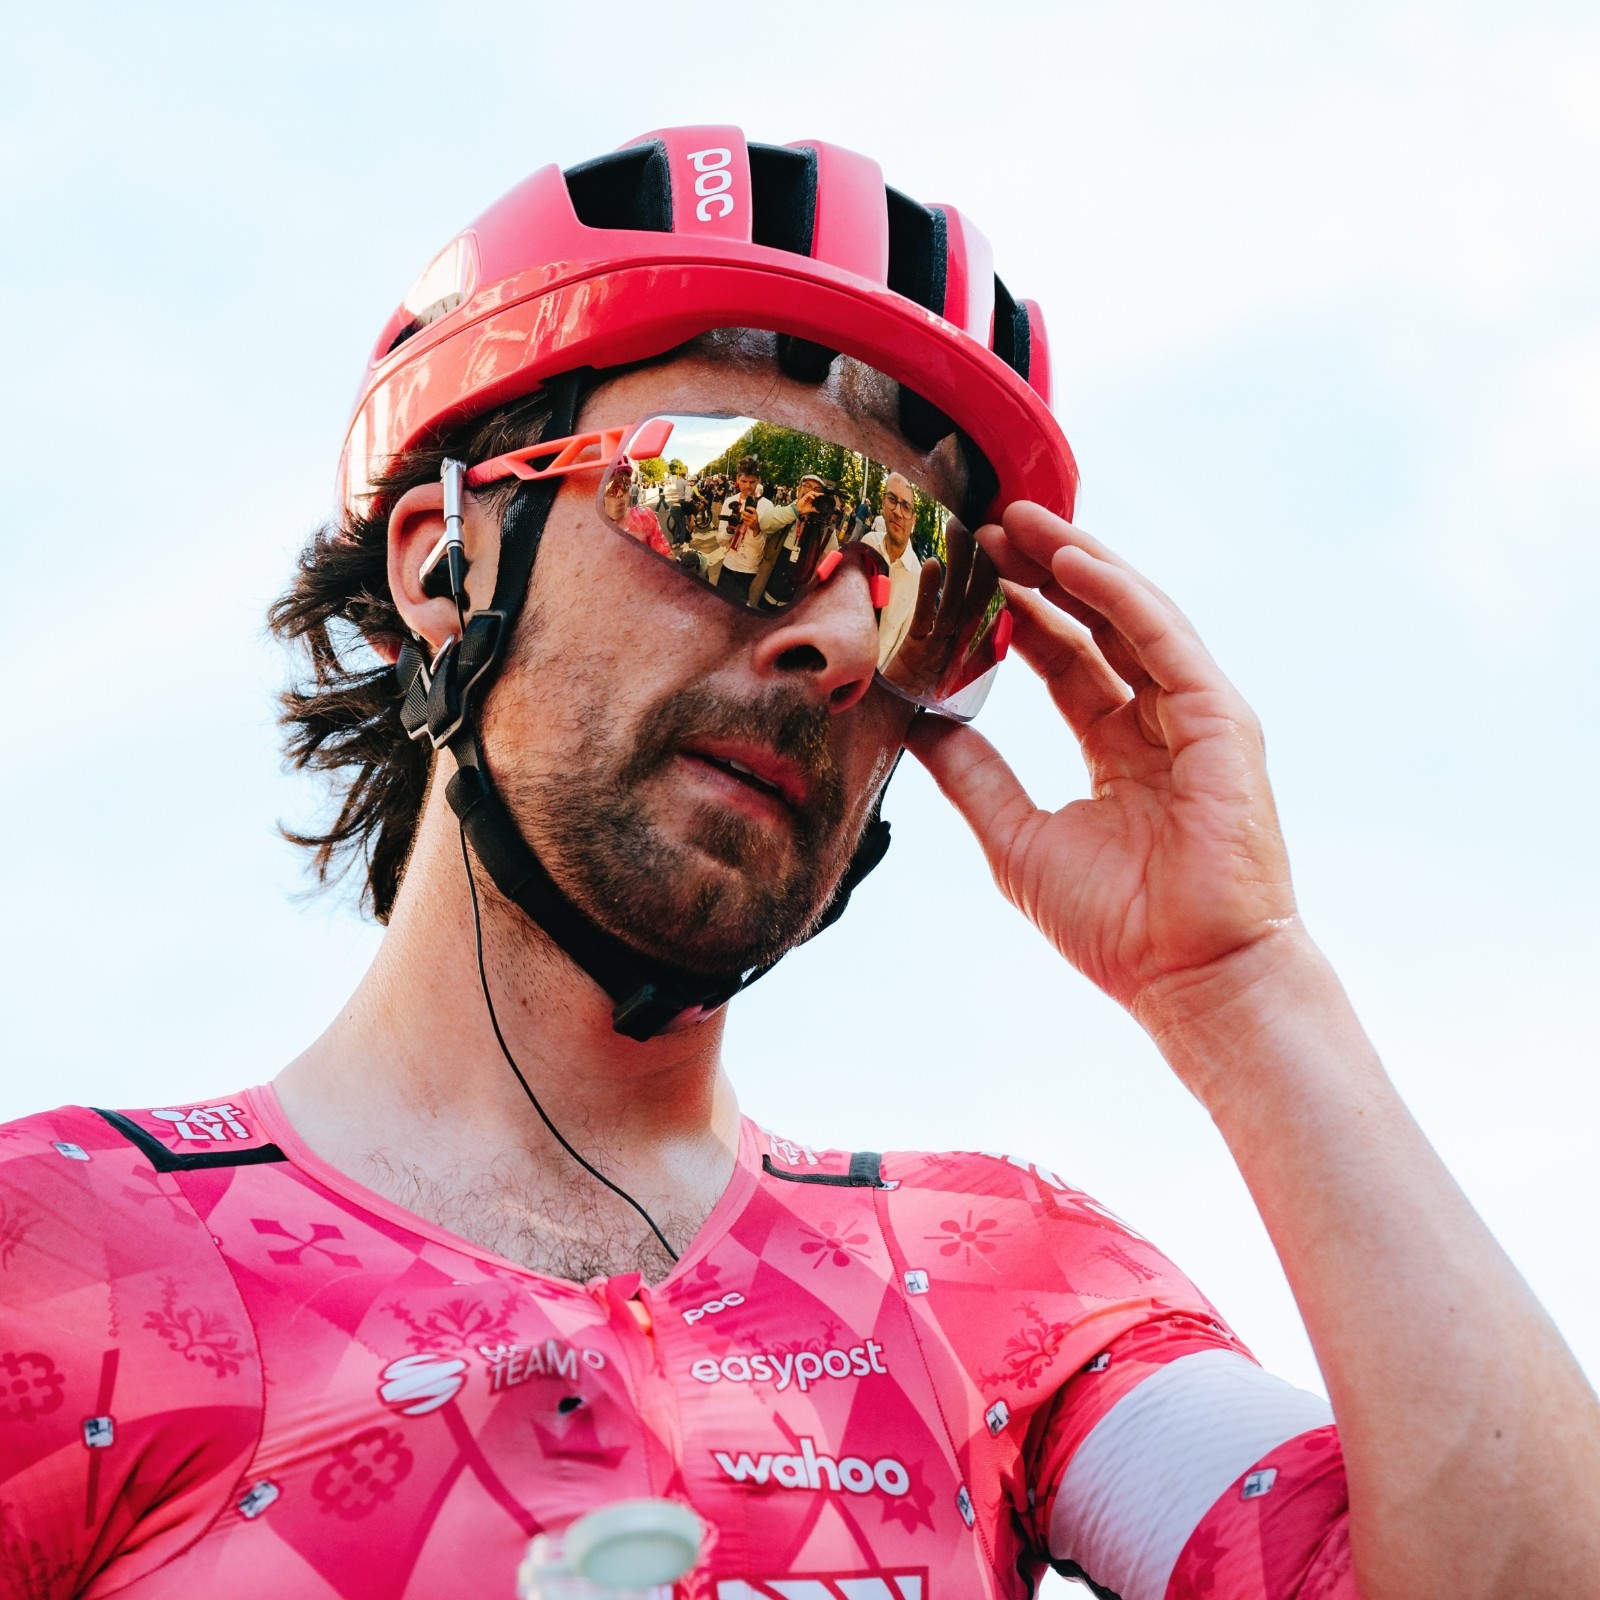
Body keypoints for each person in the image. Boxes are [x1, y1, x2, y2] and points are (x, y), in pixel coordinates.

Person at [1, 125, 1595, 1600]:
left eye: (924, 589)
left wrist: (1240, 987)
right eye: (741, 503)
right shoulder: (60, 1258)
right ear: (447, 558)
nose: (838, 635)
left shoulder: (998, 1283)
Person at [862, 470, 924, 664]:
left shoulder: (918, 579)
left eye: (906, 507)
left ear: (913, 519)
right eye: (892, 499)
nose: (897, 512)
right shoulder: (868, 543)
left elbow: (901, 647)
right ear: (883, 503)